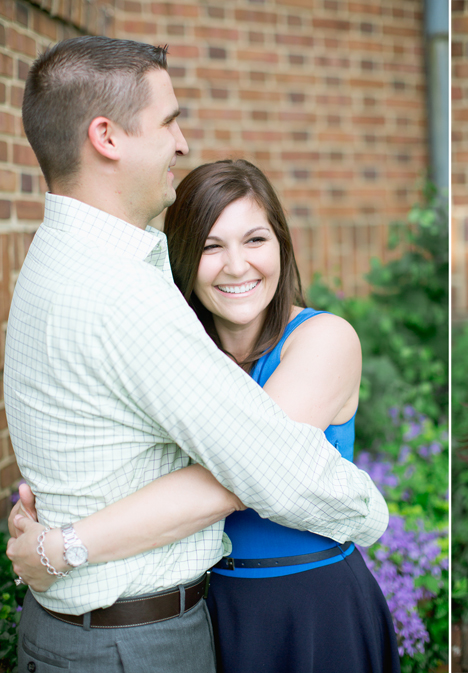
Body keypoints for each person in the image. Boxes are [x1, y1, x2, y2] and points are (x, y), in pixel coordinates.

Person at [5, 36, 388, 672]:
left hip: (299, 611)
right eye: (169, 120)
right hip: (163, 630)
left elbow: (245, 471)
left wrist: (60, 545)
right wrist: (365, 507)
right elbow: (269, 468)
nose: (181, 142)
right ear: (107, 137)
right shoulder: (129, 297)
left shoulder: (59, 259)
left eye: (256, 239)